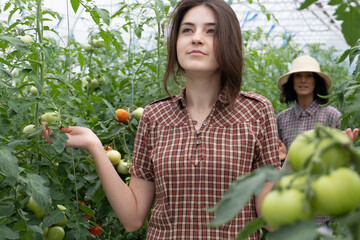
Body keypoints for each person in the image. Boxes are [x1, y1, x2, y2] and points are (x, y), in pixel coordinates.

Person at [42, 1, 281, 239]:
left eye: (211, 31)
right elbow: (132, 218)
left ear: (229, 42)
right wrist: (94, 145)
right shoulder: (155, 116)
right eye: (187, 30)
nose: (196, 38)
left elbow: (269, 220)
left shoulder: (255, 112)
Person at [276, 55, 358, 226]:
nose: (303, 80)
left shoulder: (331, 115)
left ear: (316, 81)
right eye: (298, 75)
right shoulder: (282, 119)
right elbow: (278, 161)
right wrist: (282, 157)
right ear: (291, 81)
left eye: (309, 75)